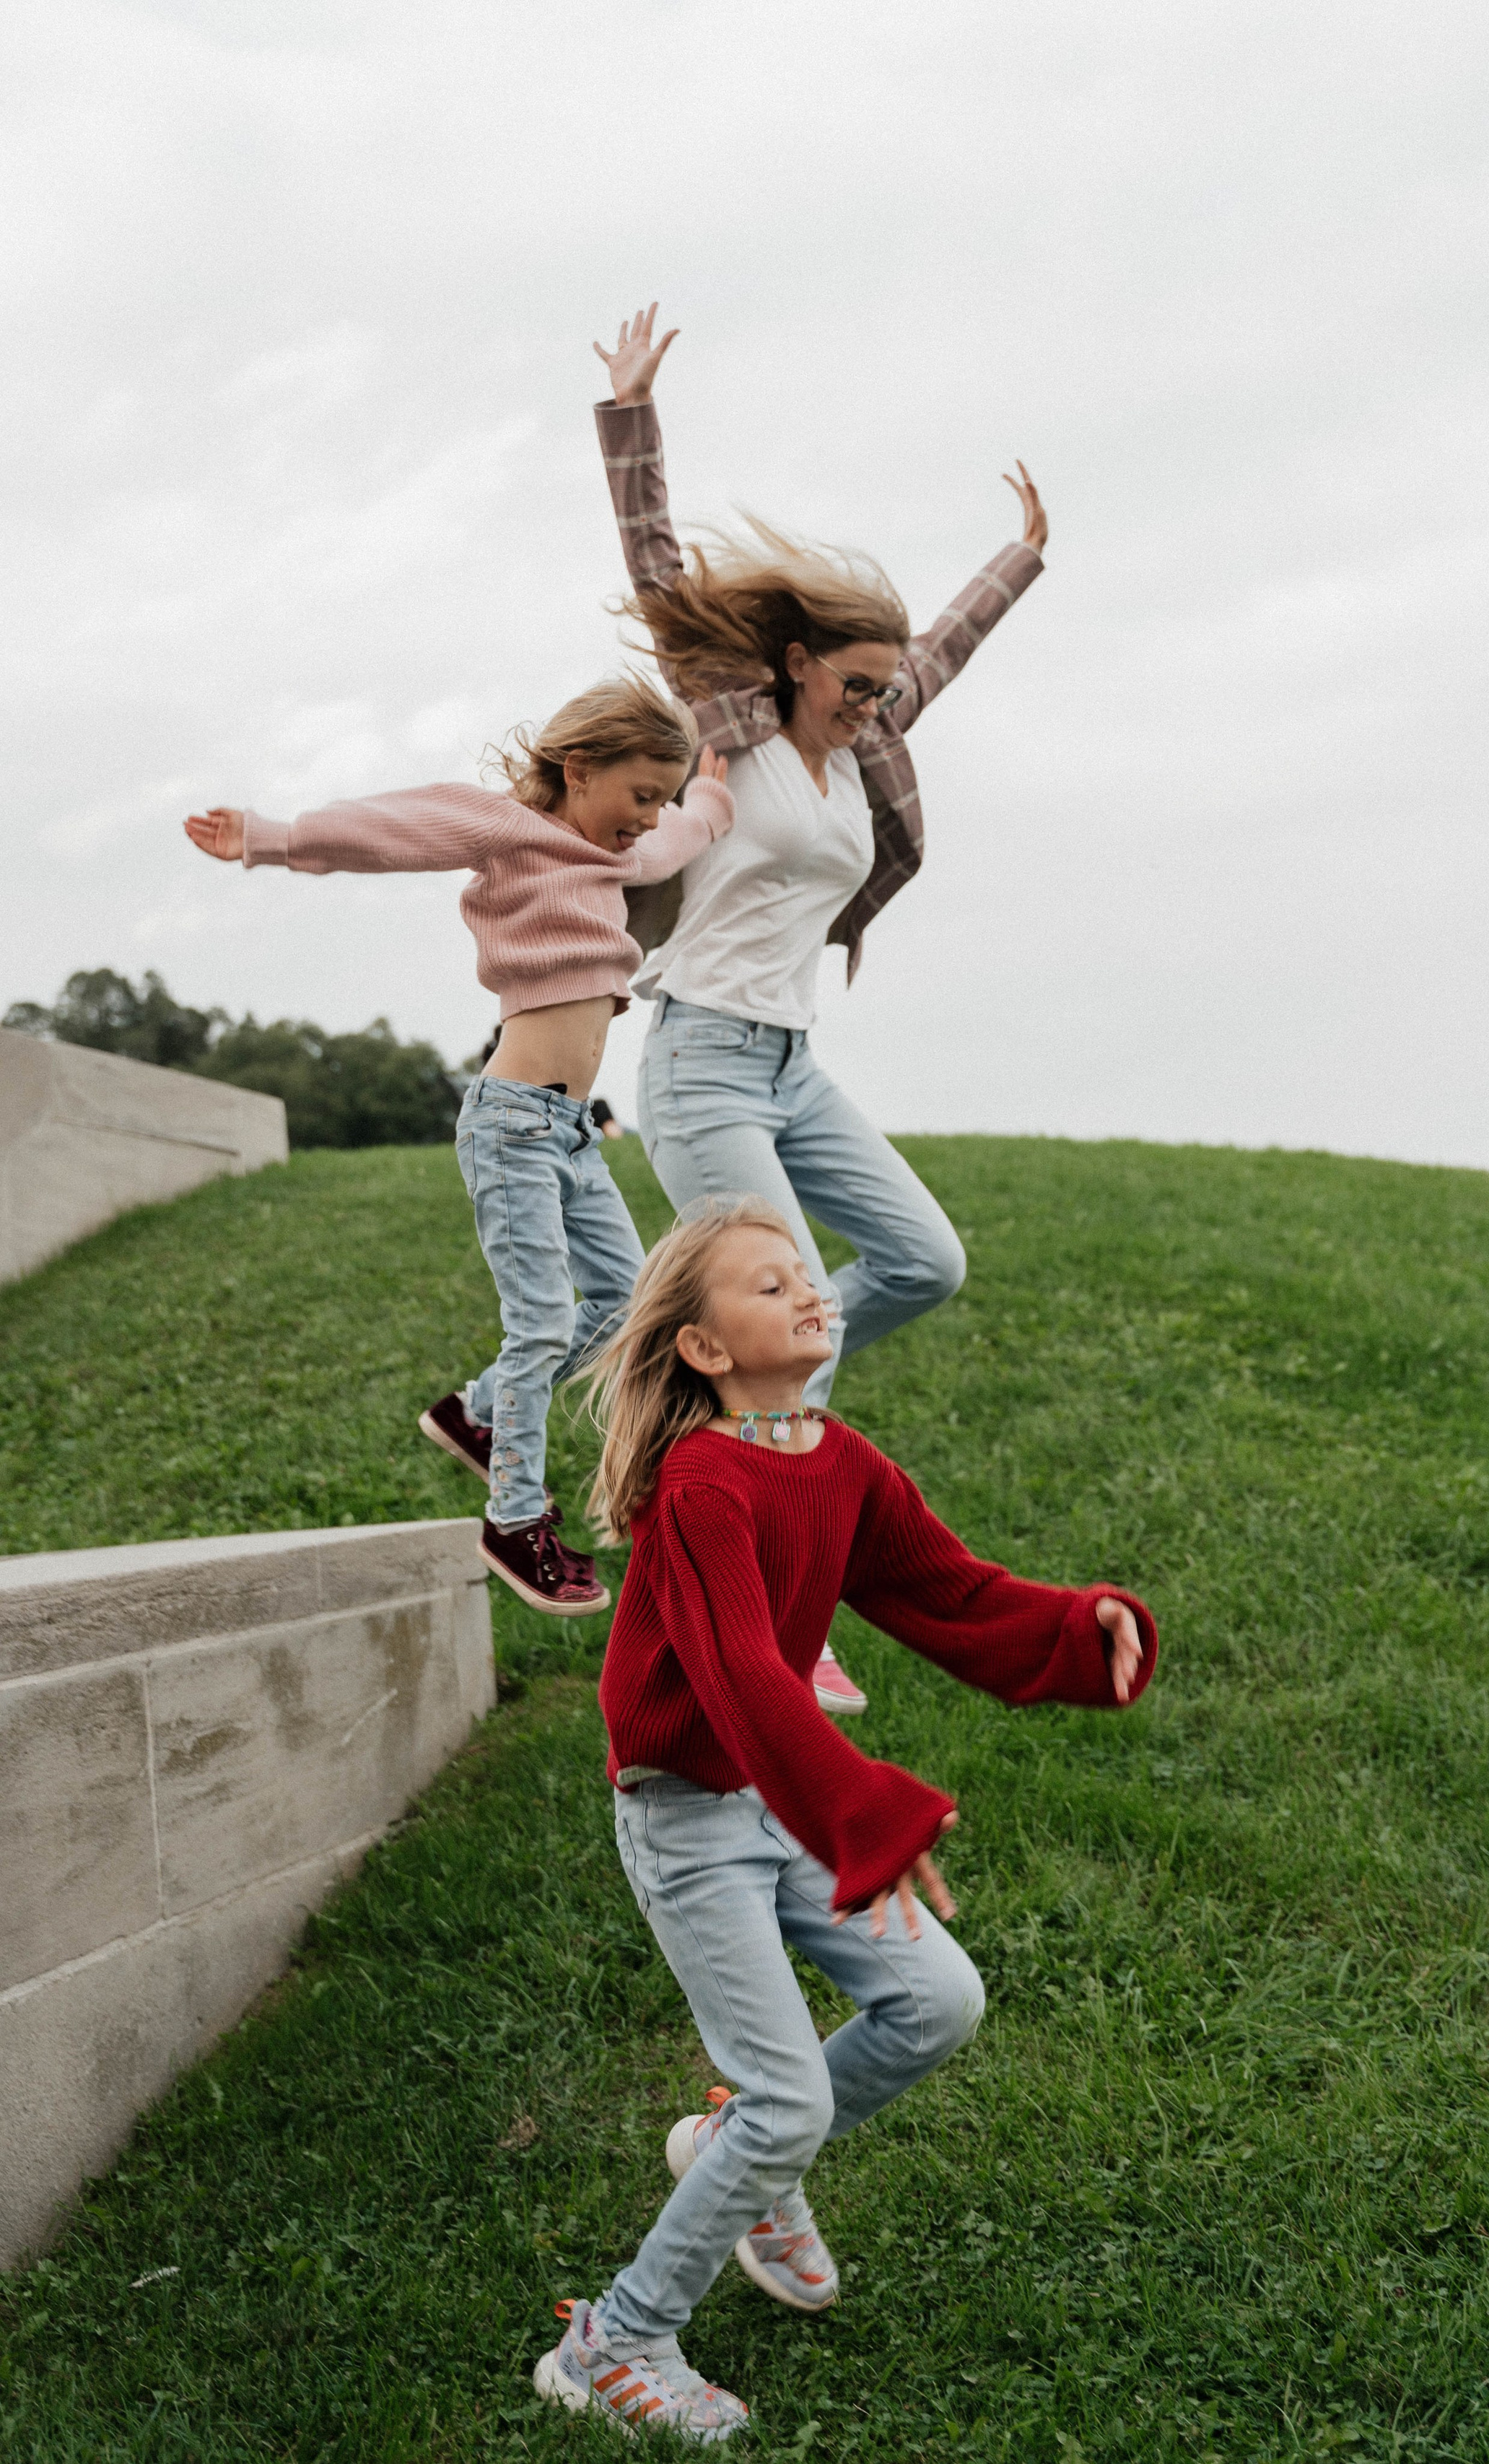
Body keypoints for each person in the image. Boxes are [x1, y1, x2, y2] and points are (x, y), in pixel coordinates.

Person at [531, 1198, 1156, 2439]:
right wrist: (861, 1805)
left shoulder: (838, 1457)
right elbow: (746, 1679)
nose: (809, 1292)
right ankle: (613, 2341)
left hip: (782, 1790)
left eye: (805, 1275)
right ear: (705, 1348)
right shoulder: (702, 1481)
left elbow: (953, 1592)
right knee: (792, 2102)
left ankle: (735, 2158)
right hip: (694, 1818)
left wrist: (1077, 1626)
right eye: (769, 1286)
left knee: (940, 2001)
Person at [591, 298, 1049, 1718]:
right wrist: (629, 417)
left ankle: (697, 1406)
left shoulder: (865, 750)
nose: (871, 707)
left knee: (920, 1261)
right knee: (792, 1318)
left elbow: (941, 653)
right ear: (792, 666)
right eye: (852, 687)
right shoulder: (731, 723)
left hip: (792, 1066)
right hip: (702, 1061)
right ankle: (783, 1633)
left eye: (880, 692)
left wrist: (1022, 560)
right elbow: (657, 562)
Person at [183, 676, 732, 1617]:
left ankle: (477, 1411)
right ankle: (514, 1517)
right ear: (578, 766)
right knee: (543, 1323)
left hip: (570, 1133)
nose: (648, 819)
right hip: (512, 1121)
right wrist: (270, 838)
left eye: (659, 799)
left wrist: (710, 802)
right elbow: (391, 829)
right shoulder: (506, 828)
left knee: (627, 1302)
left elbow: (681, 836)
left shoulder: (618, 859)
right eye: (638, 794)